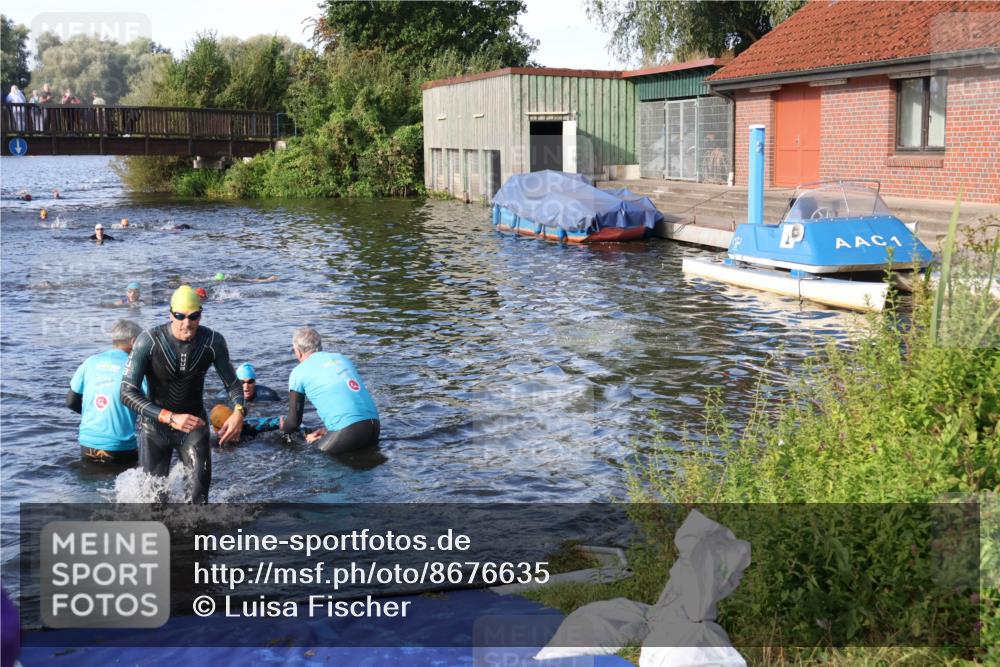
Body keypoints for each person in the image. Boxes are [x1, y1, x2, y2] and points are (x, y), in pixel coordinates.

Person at [121, 286, 245, 503]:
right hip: (154, 428)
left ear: (200, 314)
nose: (186, 323)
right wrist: (169, 417)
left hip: (194, 426)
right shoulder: (148, 341)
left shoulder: (213, 342)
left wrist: (238, 412)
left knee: (199, 500)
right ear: (170, 314)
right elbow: (126, 392)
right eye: (180, 316)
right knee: (154, 502)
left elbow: (233, 384)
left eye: (193, 316)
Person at [280, 326, 379, 454]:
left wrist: (283, 428)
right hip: (374, 427)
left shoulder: (298, 372)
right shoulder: (341, 358)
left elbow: (293, 423)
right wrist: (328, 431)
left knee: (311, 453)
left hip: (350, 432)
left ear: (297, 352)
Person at [67, 320, 145, 466]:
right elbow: (151, 402)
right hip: (120, 447)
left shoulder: (90, 362)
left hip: (87, 444)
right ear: (134, 342)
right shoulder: (135, 367)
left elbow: (71, 402)